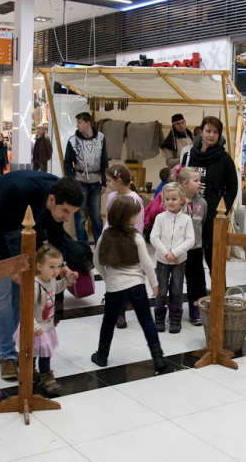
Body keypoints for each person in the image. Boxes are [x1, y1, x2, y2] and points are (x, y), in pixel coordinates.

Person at [0, 171, 83, 380]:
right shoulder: (19, 189)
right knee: (2, 292)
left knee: (19, 291)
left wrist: (61, 265)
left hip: (18, 229)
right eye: (65, 211)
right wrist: (10, 266)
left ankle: (11, 347)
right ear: (52, 200)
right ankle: (6, 354)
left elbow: (56, 231)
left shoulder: (58, 193)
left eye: (72, 213)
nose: (67, 217)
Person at [91, 196, 166, 371]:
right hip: (136, 286)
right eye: (135, 215)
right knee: (146, 320)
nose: (136, 218)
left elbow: (97, 262)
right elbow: (147, 263)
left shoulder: (105, 237)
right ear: (126, 217)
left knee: (108, 321)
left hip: (115, 287)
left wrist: (108, 277)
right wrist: (154, 284)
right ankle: (158, 358)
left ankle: (102, 356)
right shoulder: (136, 237)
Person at [13, 244, 74, 396]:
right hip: (35, 326)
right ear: (39, 266)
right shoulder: (33, 285)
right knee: (33, 352)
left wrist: (66, 281)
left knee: (46, 352)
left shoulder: (51, 279)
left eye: (59, 266)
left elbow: (56, 287)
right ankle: (30, 371)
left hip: (46, 326)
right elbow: (26, 309)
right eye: (52, 266)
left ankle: (45, 375)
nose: (56, 271)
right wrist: (33, 325)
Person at [181, 116, 238, 271]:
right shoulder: (190, 156)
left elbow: (233, 187)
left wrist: (223, 208)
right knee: (192, 262)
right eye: (208, 131)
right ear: (201, 132)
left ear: (219, 135)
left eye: (215, 132)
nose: (211, 135)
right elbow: (181, 180)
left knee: (215, 261)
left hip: (214, 214)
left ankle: (220, 294)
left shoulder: (225, 159)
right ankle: (196, 295)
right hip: (191, 213)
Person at [103, 164, 146, 329]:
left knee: (123, 278)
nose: (107, 184)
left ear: (119, 180)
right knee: (113, 277)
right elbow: (108, 218)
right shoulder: (111, 197)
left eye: (109, 180)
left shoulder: (135, 199)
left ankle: (121, 311)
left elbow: (138, 225)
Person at [150, 183, 195, 334]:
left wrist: (175, 253)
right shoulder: (160, 218)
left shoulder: (186, 219)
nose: (170, 202)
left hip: (178, 262)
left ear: (182, 200)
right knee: (161, 290)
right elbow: (154, 237)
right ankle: (159, 319)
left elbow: (190, 240)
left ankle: (175, 319)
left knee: (176, 290)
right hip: (162, 261)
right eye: (167, 199)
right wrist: (166, 253)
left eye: (174, 198)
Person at [64, 112, 108, 245]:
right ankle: (82, 245)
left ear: (88, 123)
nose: (77, 125)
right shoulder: (73, 141)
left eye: (79, 122)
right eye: (76, 122)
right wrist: (73, 183)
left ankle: (100, 245)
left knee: (96, 217)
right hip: (80, 183)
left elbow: (104, 160)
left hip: (95, 183)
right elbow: (67, 163)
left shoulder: (100, 138)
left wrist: (104, 181)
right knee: (80, 217)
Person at [179, 166, 207, 326]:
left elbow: (201, 223)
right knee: (176, 280)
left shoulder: (202, 203)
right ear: (184, 183)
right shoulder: (177, 201)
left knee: (195, 279)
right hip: (179, 248)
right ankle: (173, 308)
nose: (199, 183)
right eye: (196, 181)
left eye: (200, 180)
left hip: (195, 248)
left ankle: (195, 309)